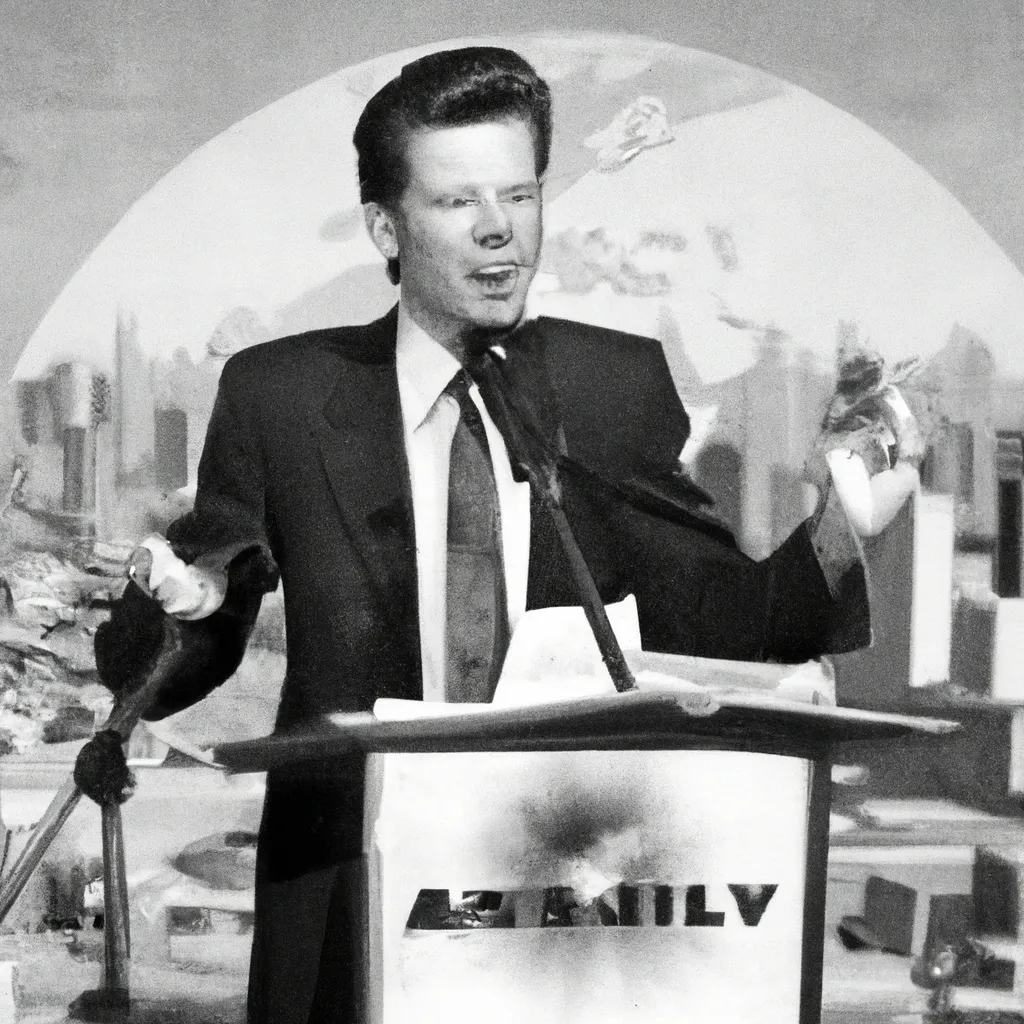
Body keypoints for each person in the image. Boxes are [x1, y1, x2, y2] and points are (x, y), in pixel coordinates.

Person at [77, 46, 914, 1023]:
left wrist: (841, 527)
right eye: (456, 204)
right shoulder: (282, 394)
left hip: (556, 903)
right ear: (384, 227)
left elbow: (723, 615)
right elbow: (208, 603)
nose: (498, 235)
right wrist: (177, 599)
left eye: (519, 197)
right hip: (353, 889)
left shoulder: (610, 383)